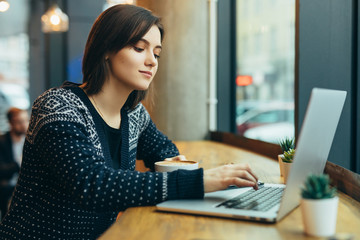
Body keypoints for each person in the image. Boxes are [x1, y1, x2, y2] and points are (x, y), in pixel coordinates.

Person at [0, 4, 258, 239]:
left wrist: (216, 178)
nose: (151, 61)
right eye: (139, 48)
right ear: (106, 50)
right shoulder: (58, 105)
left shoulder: (134, 114)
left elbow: (166, 154)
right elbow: (92, 185)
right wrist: (200, 181)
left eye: (157, 53)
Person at [0, 107, 29, 220]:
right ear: (11, 123)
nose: (24, 125)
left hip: (26, 187)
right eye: (20, 121)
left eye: (26, 120)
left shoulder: (30, 140)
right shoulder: (2, 142)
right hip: (8, 187)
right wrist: (18, 163)